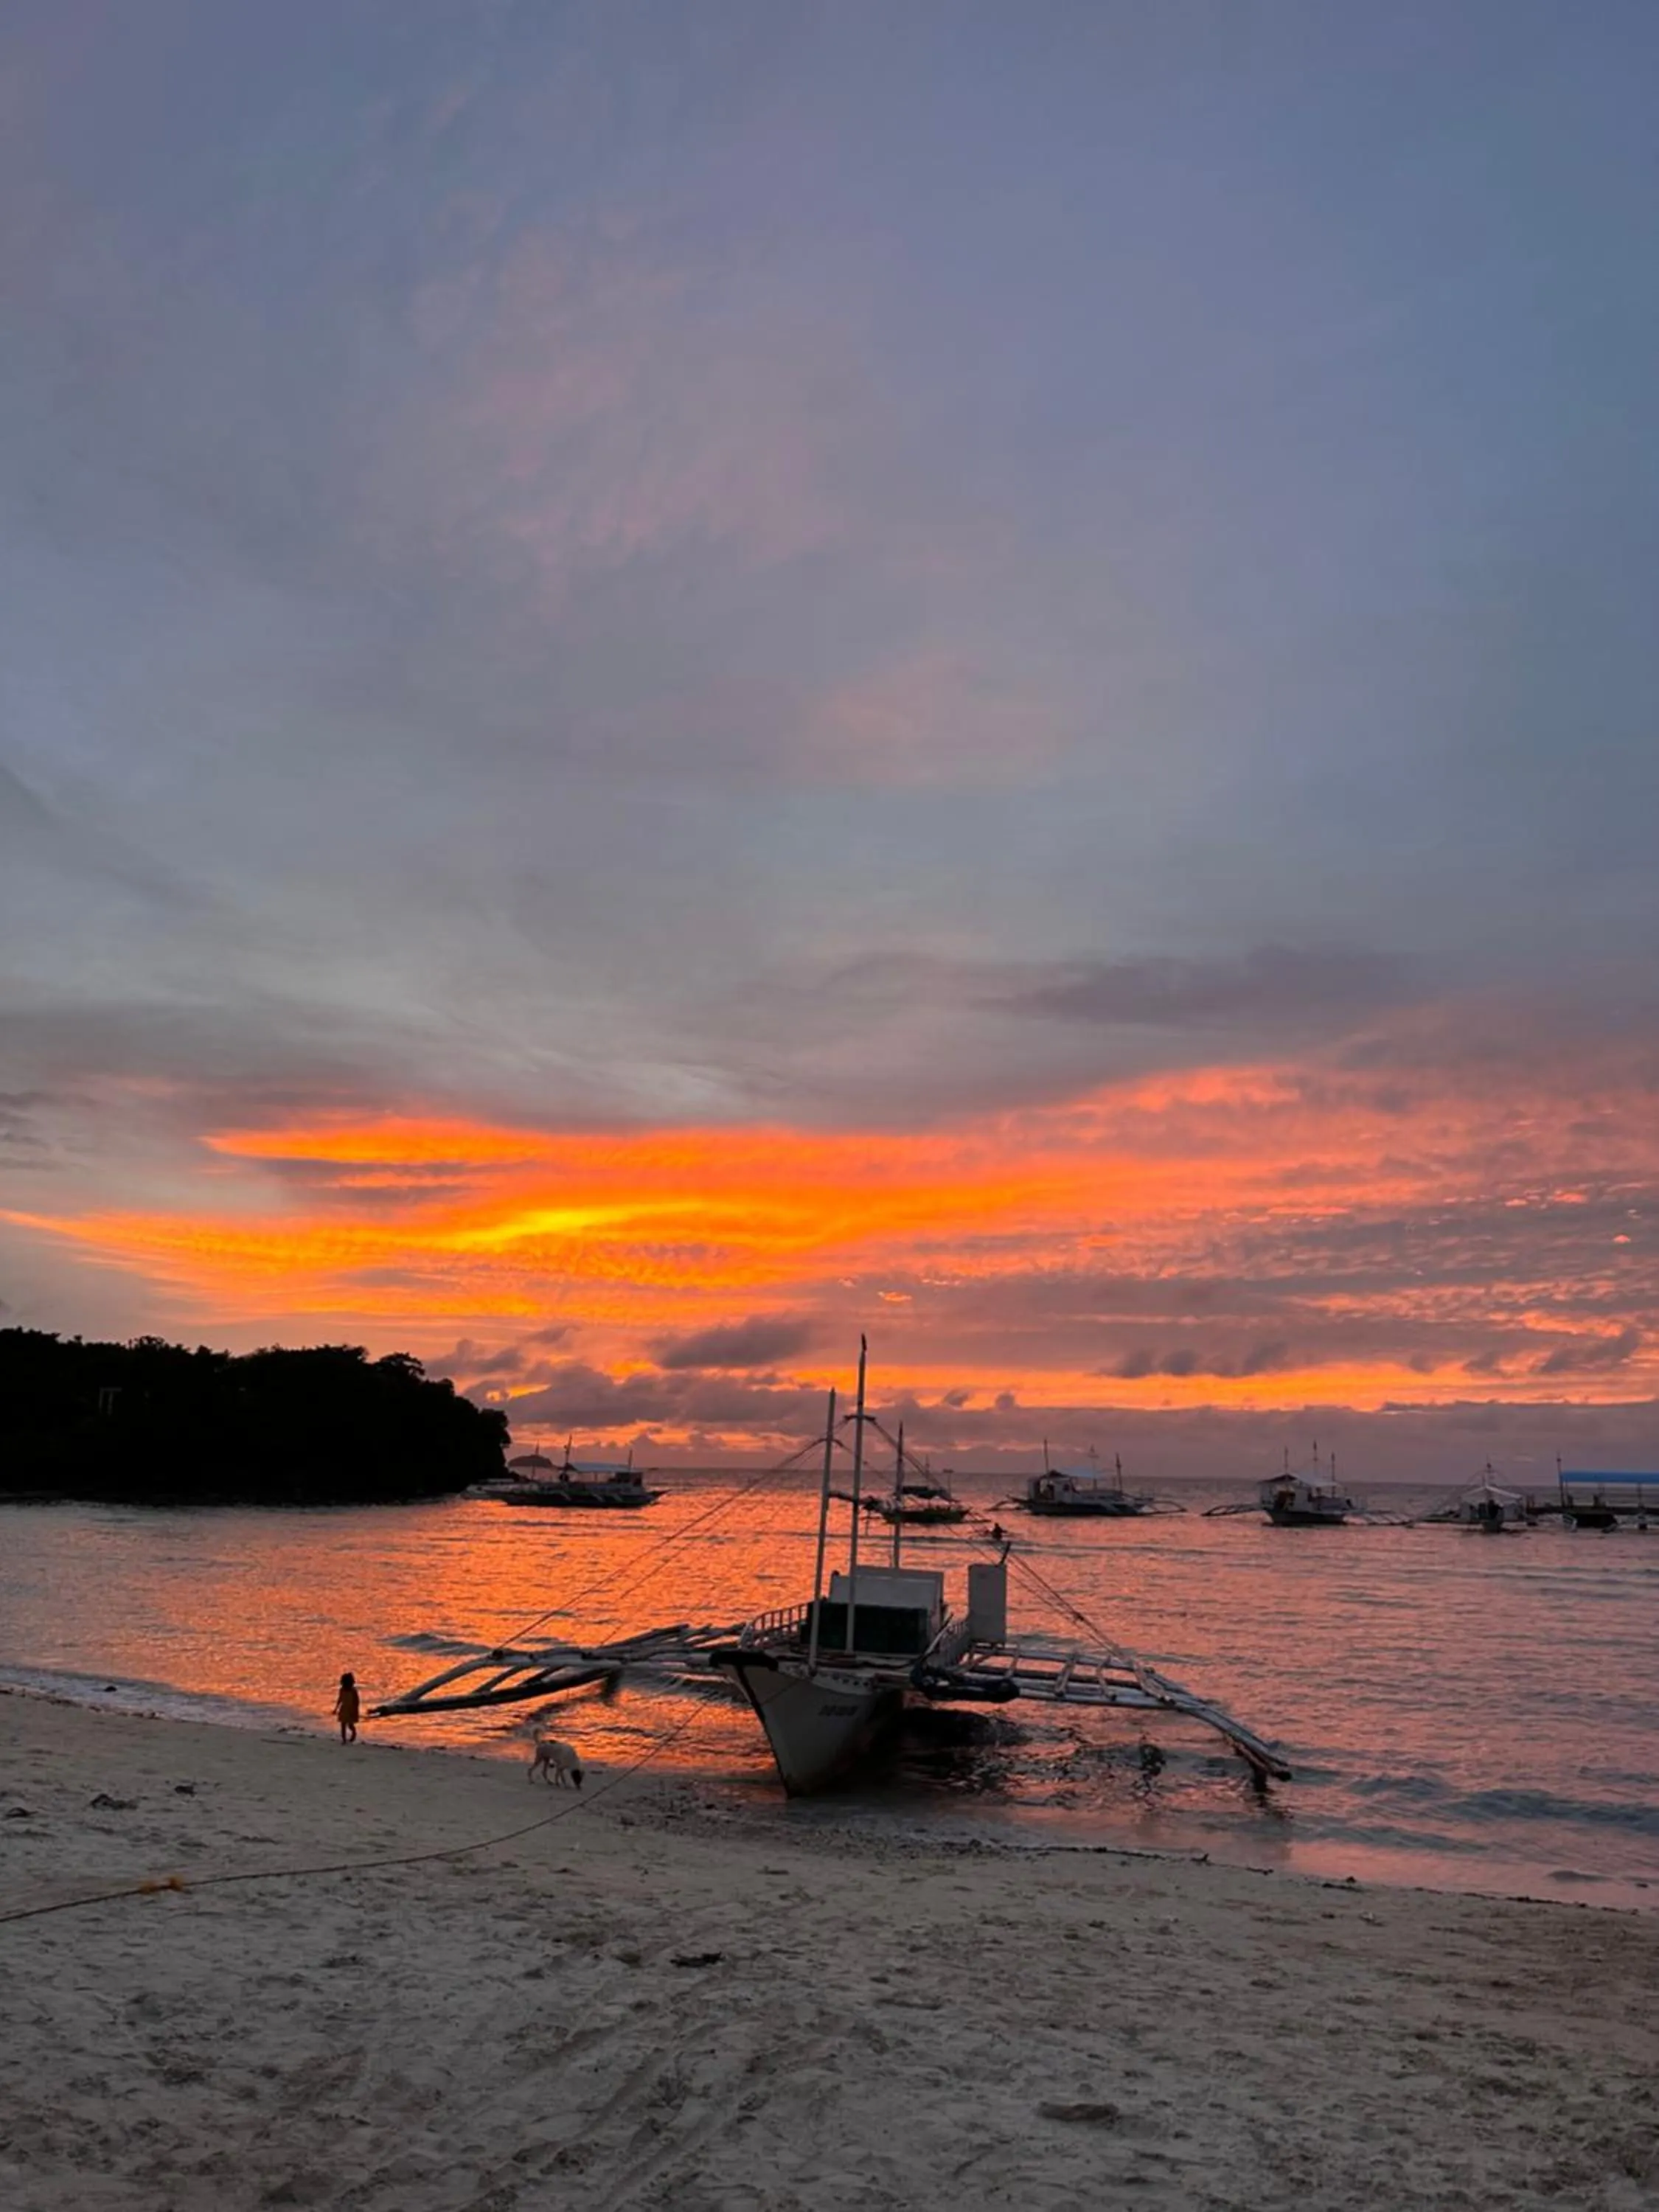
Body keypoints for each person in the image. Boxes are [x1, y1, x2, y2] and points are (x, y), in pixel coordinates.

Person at [333, 1670, 361, 1745]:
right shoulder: (342, 1690)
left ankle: (354, 1733)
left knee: (350, 1725)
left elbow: (357, 1701)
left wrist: (355, 1710)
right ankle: (344, 1739)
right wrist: (336, 1708)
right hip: (344, 1709)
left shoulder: (353, 1691)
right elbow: (340, 1699)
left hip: (351, 1709)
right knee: (343, 1724)